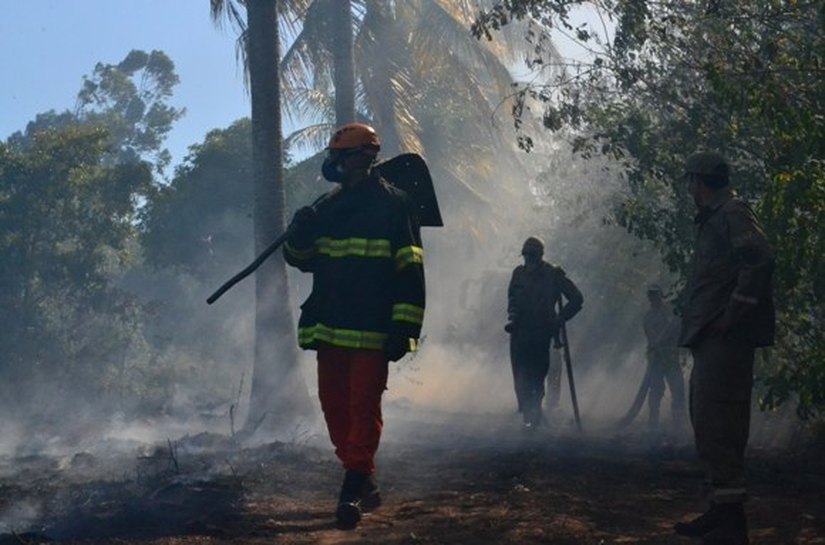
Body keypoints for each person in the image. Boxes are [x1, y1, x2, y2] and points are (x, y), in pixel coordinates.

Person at [283, 122, 426, 528]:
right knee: (334, 409)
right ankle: (364, 479)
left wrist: (405, 326)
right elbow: (301, 258)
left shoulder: (396, 206)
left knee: (363, 406)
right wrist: (300, 232)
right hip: (330, 324)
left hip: (372, 326)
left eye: (340, 157)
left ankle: (352, 487)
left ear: (362, 157)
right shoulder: (325, 208)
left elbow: (410, 269)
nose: (334, 164)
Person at [674, 151, 774, 545]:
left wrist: (733, 315)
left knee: (721, 424)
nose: (689, 190)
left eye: (690, 182)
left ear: (699, 183)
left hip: (726, 341)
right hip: (712, 339)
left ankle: (733, 525)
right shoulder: (714, 219)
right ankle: (721, 510)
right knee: (707, 420)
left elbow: (760, 259)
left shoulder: (732, 212)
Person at [505, 236, 583, 429]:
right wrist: (512, 314)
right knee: (520, 378)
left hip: (541, 333)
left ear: (540, 255)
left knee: (537, 377)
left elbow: (576, 298)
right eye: (526, 256)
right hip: (519, 332)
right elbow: (512, 299)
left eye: (532, 256)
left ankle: (533, 418)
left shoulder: (553, 274)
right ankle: (531, 416)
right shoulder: (518, 274)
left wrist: (559, 319)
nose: (528, 260)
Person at [643, 284, 686, 431]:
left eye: (655, 294)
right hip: (656, 358)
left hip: (670, 357)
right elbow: (650, 337)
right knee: (655, 390)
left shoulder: (669, 312)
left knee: (677, 390)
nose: (653, 298)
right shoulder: (648, 316)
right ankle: (652, 424)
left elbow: (676, 325)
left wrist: (661, 341)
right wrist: (656, 344)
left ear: (660, 295)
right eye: (651, 295)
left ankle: (678, 426)